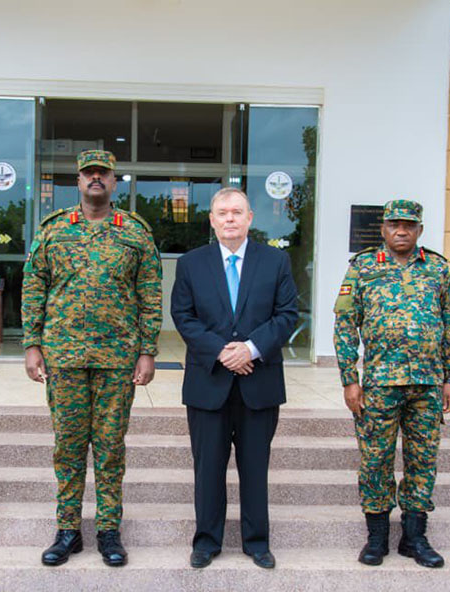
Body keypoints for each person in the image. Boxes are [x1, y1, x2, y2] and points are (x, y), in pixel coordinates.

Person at [22, 149, 162, 568]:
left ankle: (107, 530)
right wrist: (32, 343)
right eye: (88, 173)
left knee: (109, 447)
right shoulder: (53, 230)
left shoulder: (135, 232)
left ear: (115, 181)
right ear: (77, 181)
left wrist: (147, 351)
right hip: (63, 355)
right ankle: (68, 530)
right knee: (67, 446)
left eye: (103, 173)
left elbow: (150, 295)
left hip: (118, 358)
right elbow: (34, 287)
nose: (96, 179)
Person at [171, 187, 298, 570]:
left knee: (255, 466)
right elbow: (183, 315)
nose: (229, 218)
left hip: (258, 384)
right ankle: (206, 542)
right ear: (211, 220)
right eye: (222, 212)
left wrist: (251, 349)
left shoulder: (275, 261)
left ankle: (257, 542)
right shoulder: (191, 263)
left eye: (237, 212)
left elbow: (287, 314)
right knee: (207, 467)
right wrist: (224, 352)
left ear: (249, 219)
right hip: (208, 382)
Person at [333, 199, 450, 569]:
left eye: (409, 225)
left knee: (423, 461)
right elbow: (345, 325)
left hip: (427, 384)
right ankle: (376, 538)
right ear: (383, 229)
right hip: (379, 384)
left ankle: (414, 536)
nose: (401, 231)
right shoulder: (362, 268)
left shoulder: (437, 268)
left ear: (420, 230)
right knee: (375, 460)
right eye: (394, 224)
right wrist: (349, 379)